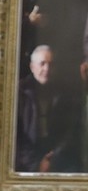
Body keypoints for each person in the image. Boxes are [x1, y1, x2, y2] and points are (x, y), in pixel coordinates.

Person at [16, 40, 85, 175]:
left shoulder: (65, 94)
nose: (47, 69)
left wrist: (52, 159)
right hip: (26, 160)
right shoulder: (19, 92)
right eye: (42, 64)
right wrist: (36, 164)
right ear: (32, 67)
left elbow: (70, 131)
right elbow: (17, 137)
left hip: (57, 157)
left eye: (51, 64)